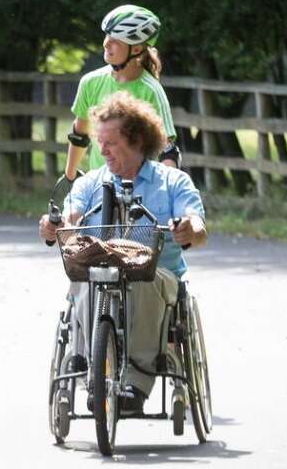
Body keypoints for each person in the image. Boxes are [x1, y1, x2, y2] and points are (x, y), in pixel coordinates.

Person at [38, 91, 208, 415]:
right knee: (85, 278)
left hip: (157, 275)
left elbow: (198, 224)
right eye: (99, 142)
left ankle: (137, 382)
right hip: (101, 270)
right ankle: (94, 374)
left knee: (141, 277)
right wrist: (54, 225)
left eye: (110, 143)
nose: (101, 150)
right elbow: (69, 215)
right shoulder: (90, 184)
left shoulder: (172, 181)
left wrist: (190, 229)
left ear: (137, 140)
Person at [63, 4, 181, 181]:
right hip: (99, 185)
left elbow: (167, 152)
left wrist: (169, 190)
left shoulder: (151, 91)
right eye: (107, 36)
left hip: (139, 188)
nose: (106, 43)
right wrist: (69, 177)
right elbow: (79, 135)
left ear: (135, 49)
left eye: (116, 40)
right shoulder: (90, 82)